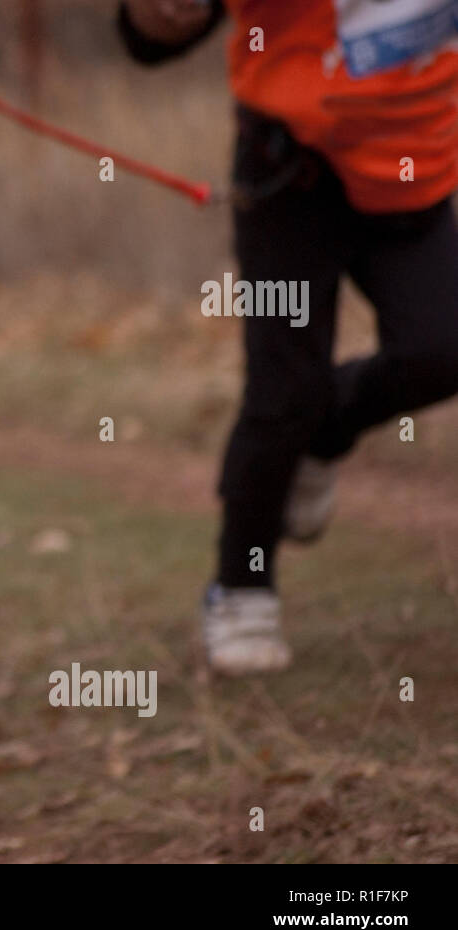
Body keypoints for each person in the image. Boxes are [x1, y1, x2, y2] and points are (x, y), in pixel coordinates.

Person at [119, 0, 458, 675]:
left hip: (413, 171)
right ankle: (241, 588)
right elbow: (147, 37)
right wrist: (158, 17)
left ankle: (326, 430)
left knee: (442, 348)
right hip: (290, 168)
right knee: (283, 390)